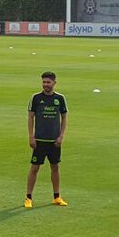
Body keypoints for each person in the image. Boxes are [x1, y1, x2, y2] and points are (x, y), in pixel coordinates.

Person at [24, 70, 68, 208]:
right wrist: (31, 136)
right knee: (34, 168)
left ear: (54, 83)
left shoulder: (60, 98)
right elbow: (30, 117)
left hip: (54, 141)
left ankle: (57, 196)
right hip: (40, 140)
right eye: (44, 82)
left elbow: (64, 117)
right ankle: (28, 197)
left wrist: (61, 136)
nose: (45, 85)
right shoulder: (36, 98)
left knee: (55, 167)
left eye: (48, 82)